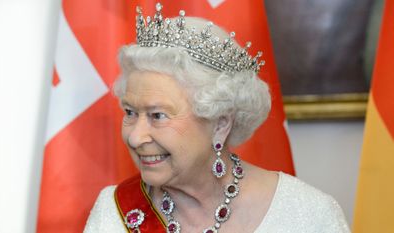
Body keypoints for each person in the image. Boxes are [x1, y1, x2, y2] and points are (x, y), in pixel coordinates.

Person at [84, 3, 350, 233]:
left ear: (220, 124)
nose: (135, 136)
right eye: (130, 112)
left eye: (157, 115)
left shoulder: (307, 215)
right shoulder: (113, 212)